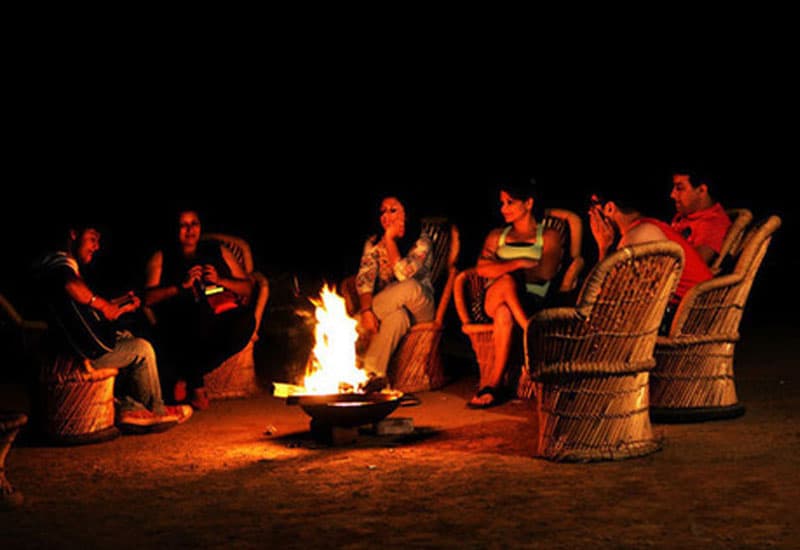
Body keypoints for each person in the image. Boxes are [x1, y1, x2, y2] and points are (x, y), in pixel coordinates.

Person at [33, 222, 192, 433]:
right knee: (142, 349)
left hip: (76, 347)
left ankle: (131, 407)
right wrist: (103, 305)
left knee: (126, 334)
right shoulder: (60, 264)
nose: (96, 246)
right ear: (73, 234)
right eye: (92, 239)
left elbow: (85, 312)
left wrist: (120, 304)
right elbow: (70, 285)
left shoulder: (55, 263)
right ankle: (151, 410)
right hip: (74, 357)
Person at [143, 209, 256, 410]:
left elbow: (247, 287)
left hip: (218, 317)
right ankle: (197, 388)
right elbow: (147, 299)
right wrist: (180, 287)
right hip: (181, 322)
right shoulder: (162, 256)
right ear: (175, 229)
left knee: (246, 321)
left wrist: (220, 280)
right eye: (183, 225)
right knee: (196, 314)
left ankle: (187, 377)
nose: (189, 230)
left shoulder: (217, 250)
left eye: (194, 224)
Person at [468, 180, 564, 408]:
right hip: (492, 298)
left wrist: (500, 265)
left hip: (532, 300)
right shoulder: (496, 236)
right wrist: (519, 263)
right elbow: (481, 268)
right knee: (506, 282)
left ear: (528, 203)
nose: (503, 208)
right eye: (502, 203)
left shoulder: (548, 236)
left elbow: (545, 272)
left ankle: (493, 384)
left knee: (504, 313)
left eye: (510, 202)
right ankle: (529, 329)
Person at [589, 189, 713, 333]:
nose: (589, 213)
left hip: (689, 320)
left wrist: (602, 248)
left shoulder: (639, 236)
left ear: (609, 208)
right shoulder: (648, 227)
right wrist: (604, 247)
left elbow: (608, 301)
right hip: (688, 314)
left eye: (593, 205)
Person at [354, 195, 434, 391]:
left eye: (393, 210)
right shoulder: (373, 244)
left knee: (408, 287)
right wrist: (366, 311)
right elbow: (364, 281)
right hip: (392, 310)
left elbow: (402, 273)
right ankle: (371, 377)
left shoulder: (421, 242)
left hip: (421, 308)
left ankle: (352, 326)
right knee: (397, 318)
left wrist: (389, 239)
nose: (386, 216)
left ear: (407, 213)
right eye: (383, 211)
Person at [670, 171, 732, 265]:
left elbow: (696, 264)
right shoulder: (686, 214)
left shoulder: (713, 223)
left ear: (702, 190)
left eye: (679, 188)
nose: (672, 195)